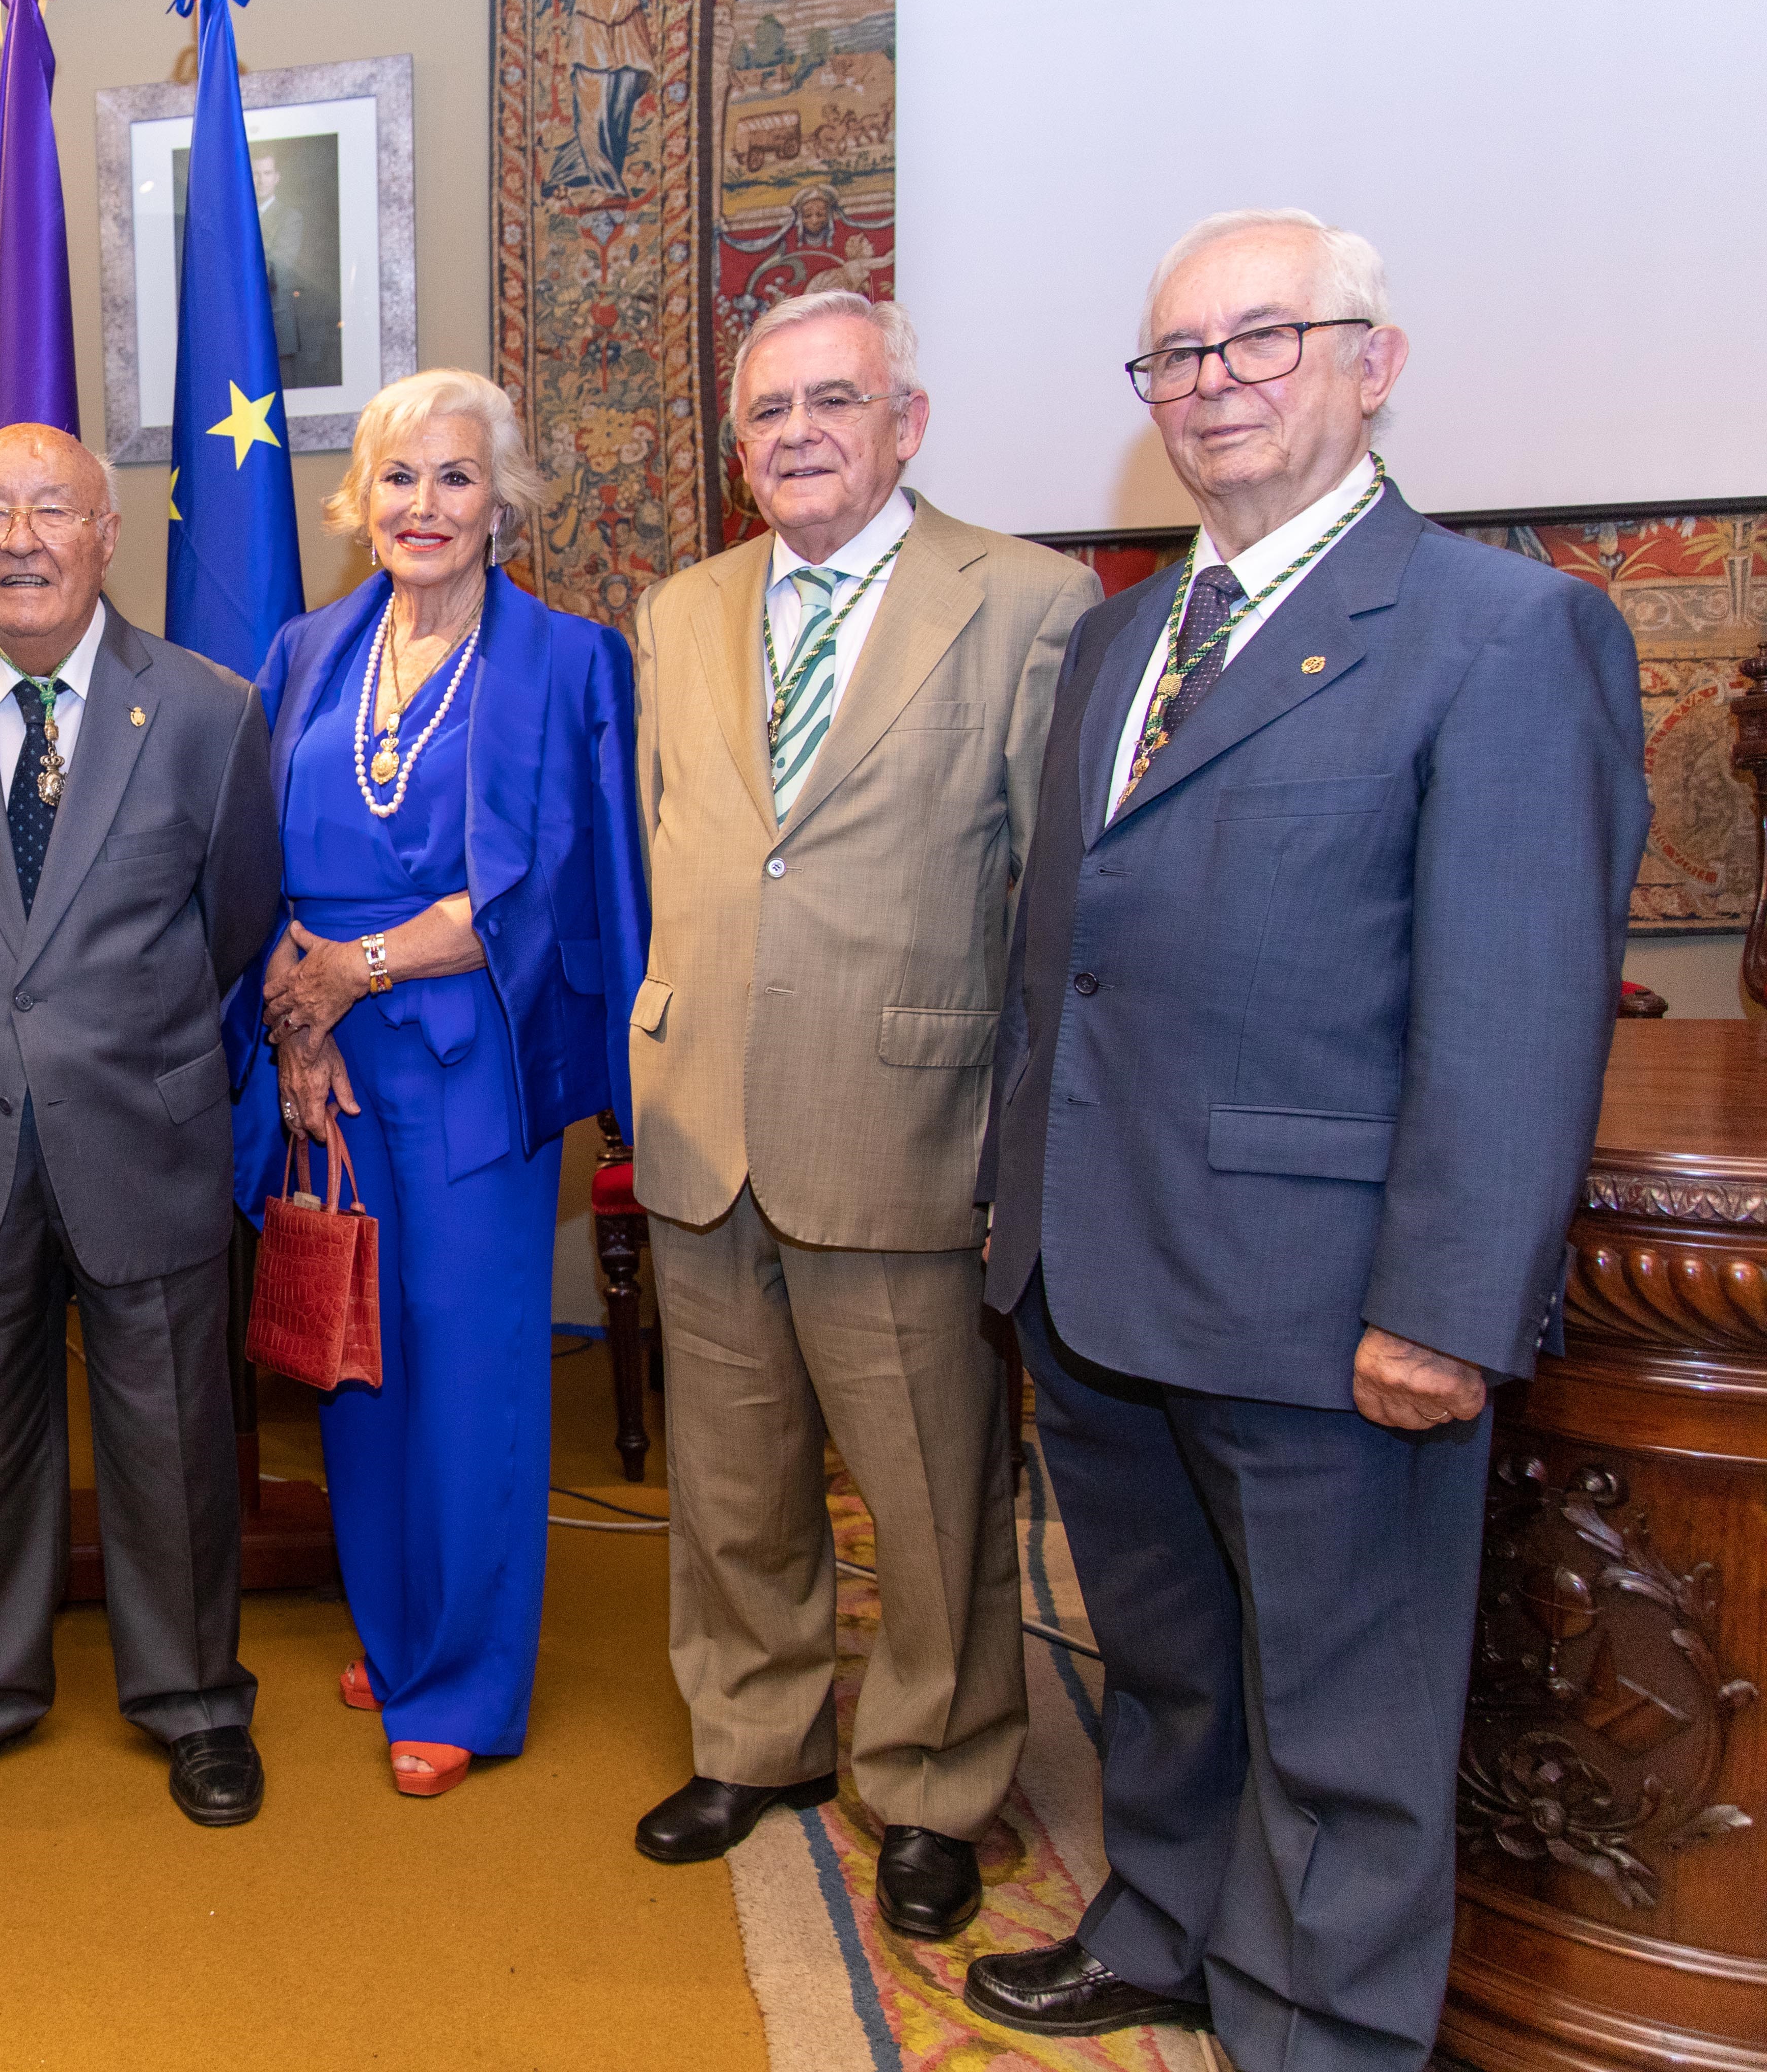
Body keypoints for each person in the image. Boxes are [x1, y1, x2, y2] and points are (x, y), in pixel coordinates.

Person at [968, 210, 1646, 2068]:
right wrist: (1013, 1220)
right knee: (1170, 1670)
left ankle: (1320, 2033)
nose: (1215, 384)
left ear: (1376, 362)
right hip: (1091, 1275)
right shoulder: (1118, 640)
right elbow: (1063, 955)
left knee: (1349, 1729)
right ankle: (1167, 1926)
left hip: (1326, 1306)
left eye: (1264, 338)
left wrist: (1444, 1307)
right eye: (1178, 356)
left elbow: (1519, 1008)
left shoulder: (1505, 634)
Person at [623, 291, 1095, 1936]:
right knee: (730, 1475)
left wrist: (1021, 1144)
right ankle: (757, 1739)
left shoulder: (1026, 601)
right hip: (703, 1114)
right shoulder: (681, 609)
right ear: (737, 446)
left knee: (930, 1486)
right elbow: (682, 845)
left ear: (910, 421)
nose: (800, 434)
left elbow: (1046, 899)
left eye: (836, 401)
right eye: (768, 413)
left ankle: (934, 1778)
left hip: (907, 1115)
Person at [0, 423, 281, 1827]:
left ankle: (194, 1700)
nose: (21, 540)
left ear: (107, 535)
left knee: (172, 1438)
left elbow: (234, 918)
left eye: (52, 511)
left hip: (142, 1126)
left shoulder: (209, 710)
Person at [236, 367, 646, 1797]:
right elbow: (253, 859)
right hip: (325, 1061)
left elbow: (548, 882)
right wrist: (296, 1016)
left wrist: (355, 969)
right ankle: (399, 1628)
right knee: (357, 1352)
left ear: (502, 502)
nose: (426, 505)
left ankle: (466, 1679)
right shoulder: (307, 649)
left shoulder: (570, 663)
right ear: (363, 501)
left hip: (473, 1046)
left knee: (470, 1363)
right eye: (400, 478)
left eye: (457, 477)